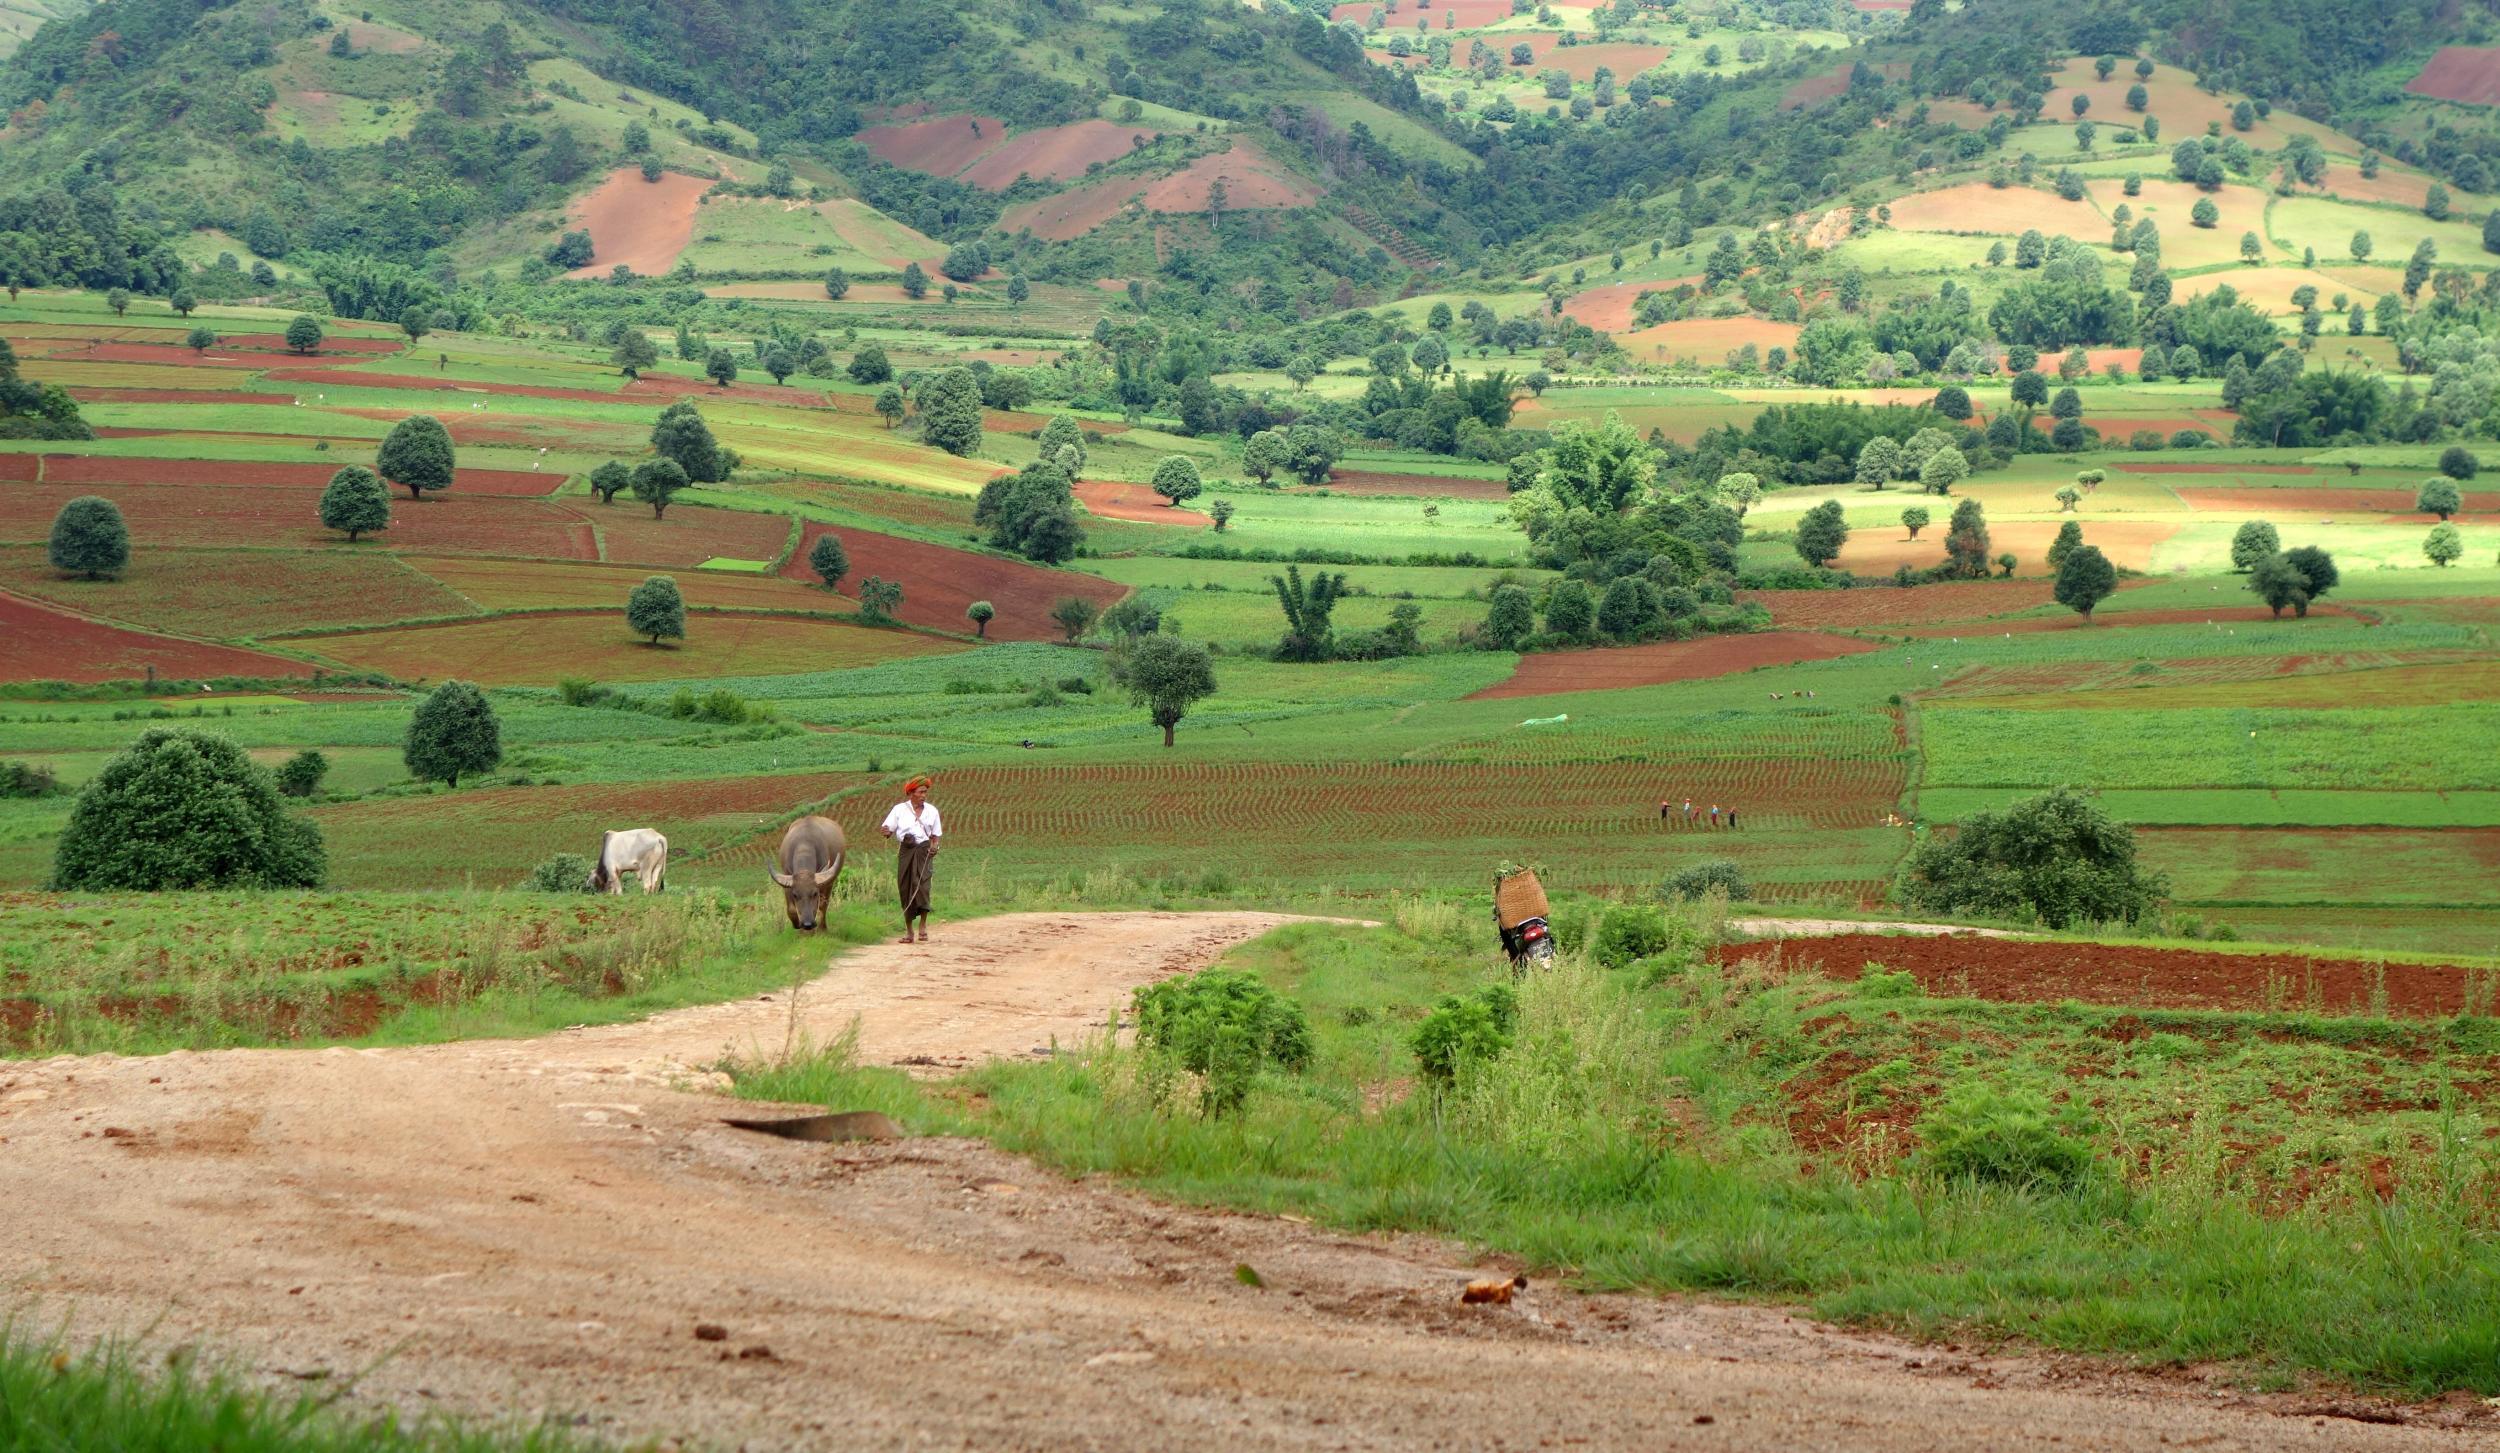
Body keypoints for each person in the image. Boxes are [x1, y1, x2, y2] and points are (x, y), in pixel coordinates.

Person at [879, 776, 942, 943]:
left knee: (923, 887)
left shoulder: (932, 811)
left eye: (925, 792)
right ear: (911, 793)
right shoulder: (899, 809)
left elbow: (935, 836)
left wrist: (935, 846)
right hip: (906, 851)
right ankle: (909, 932)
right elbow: (888, 829)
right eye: (921, 792)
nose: (924, 795)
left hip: (924, 851)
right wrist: (885, 831)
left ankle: (923, 926)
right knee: (905, 888)